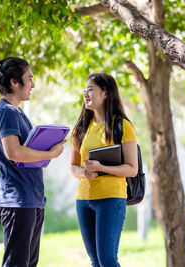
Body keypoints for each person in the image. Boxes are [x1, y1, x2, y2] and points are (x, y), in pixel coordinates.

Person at [0, 57, 66, 267]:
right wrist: (50, 154)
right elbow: (13, 152)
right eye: (29, 79)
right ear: (14, 82)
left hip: (30, 198)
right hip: (17, 199)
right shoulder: (6, 112)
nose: (33, 85)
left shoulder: (17, 113)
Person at [70, 73, 138, 267]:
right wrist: (83, 172)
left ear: (105, 94)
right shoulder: (81, 127)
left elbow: (132, 169)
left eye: (90, 90)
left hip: (111, 199)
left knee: (107, 260)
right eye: (84, 91)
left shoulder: (122, 126)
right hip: (83, 200)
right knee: (95, 261)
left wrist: (101, 167)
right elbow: (72, 167)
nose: (86, 95)